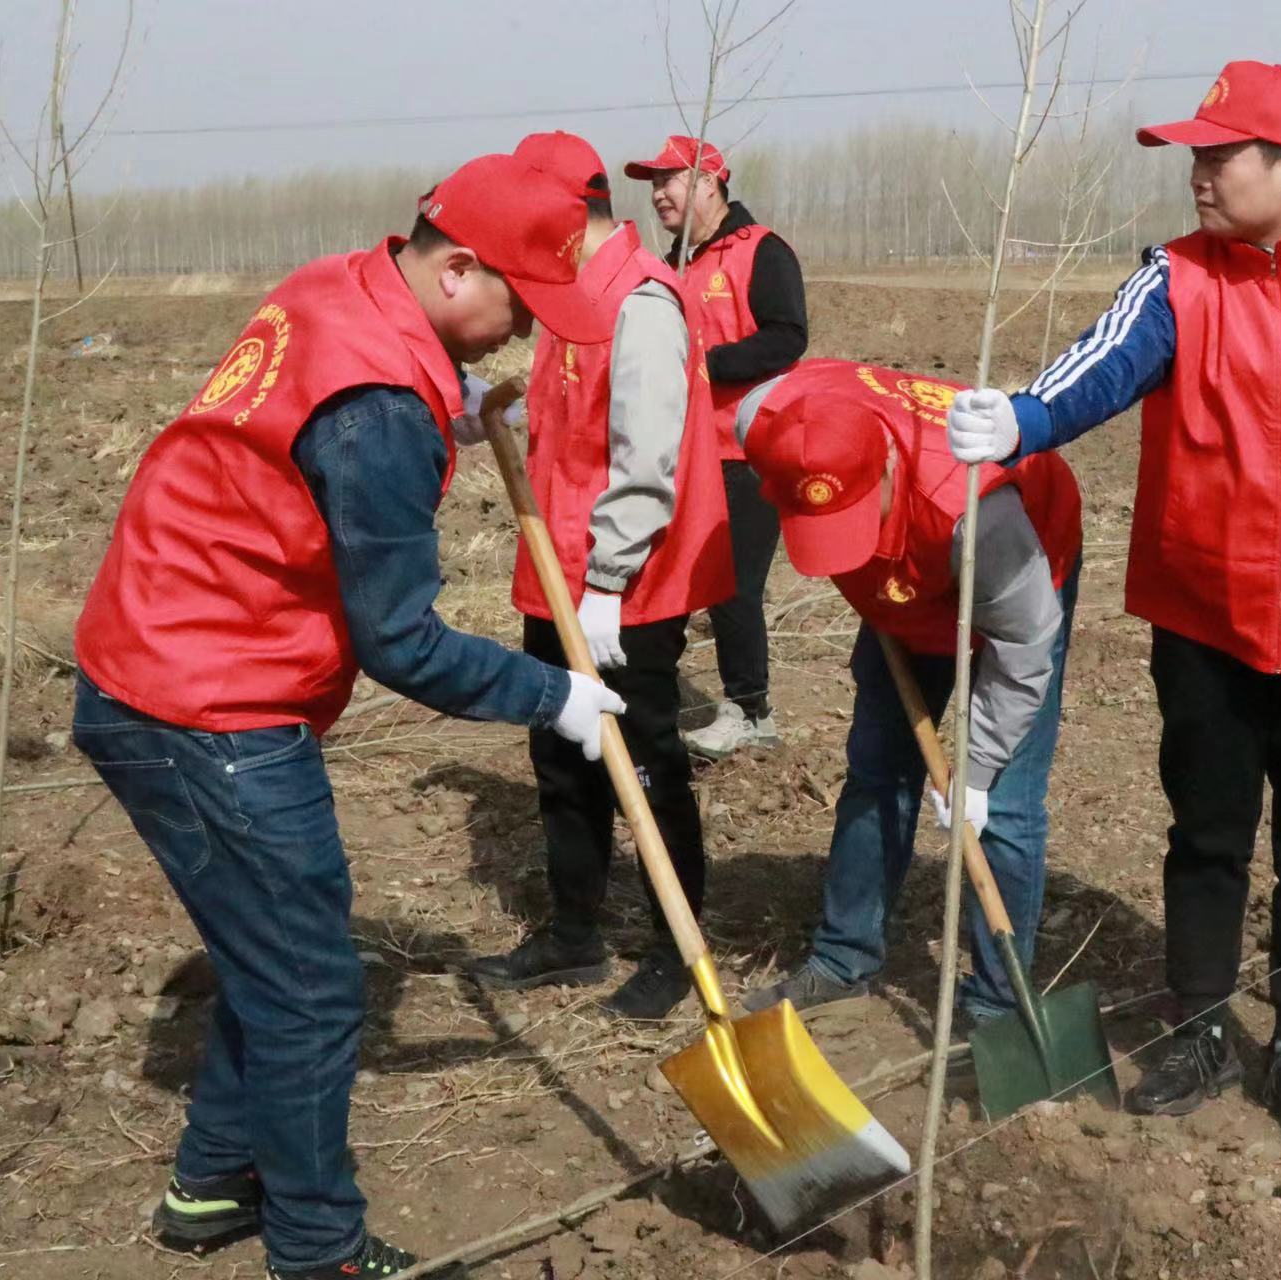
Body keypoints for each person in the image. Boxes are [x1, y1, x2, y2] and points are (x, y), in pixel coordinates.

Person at [71, 152, 626, 1279]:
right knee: (316, 985)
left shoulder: (340, 286)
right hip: (208, 699)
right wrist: (552, 692)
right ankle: (319, 1249)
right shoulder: (379, 407)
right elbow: (403, 642)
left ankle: (212, 1182)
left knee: (272, 957)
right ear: (459, 267)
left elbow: (316, 427)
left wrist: (447, 406)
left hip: (162, 651)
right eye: (521, 305)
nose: (525, 335)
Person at [946, 61, 1281, 1142]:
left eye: (1219, 154)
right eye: (1194, 153)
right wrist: (1023, 417)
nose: (1197, 173)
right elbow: (1099, 368)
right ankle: (1193, 1022)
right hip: (1206, 621)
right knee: (1206, 834)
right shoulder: (1177, 280)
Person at [465, 132, 732, 1021]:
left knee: (646, 759)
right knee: (560, 755)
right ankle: (573, 934)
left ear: (568, 210)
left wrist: (610, 579)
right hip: (557, 570)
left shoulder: (642, 303)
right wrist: (482, 407)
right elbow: (561, 412)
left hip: (629, 582)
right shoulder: (566, 293)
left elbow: (646, 458)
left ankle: (674, 941)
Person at [734, 359, 1081, 1026]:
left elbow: (1024, 648)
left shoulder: (979, 512)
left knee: (1003, 806)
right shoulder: (769, 426)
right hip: (905, 583)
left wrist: (973, 774)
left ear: (888, 468)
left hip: (1013, 583)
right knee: (877, 767)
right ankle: (843, 959)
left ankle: (997, 1010)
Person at [626, 135, 808, 759]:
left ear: (709, 182)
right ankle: (649, 691)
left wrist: (704, 363)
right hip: (683, 451)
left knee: (733, 586)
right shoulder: (675, 262)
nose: (657, 194)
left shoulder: (762, 252)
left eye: (667, 180)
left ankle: (751, 711)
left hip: (746, 451)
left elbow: (787, 338)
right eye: (651, 183)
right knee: (675, 576)